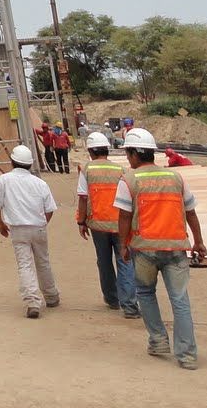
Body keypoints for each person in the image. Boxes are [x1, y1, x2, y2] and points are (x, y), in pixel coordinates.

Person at [116, 126, 207, 370]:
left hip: (144, 248)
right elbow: (191, 212)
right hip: (176, 248)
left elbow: (124, 217)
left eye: (128, 153)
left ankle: (158, 341)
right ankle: (187, 355)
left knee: (145, 294)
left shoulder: (128, 180)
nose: (127, 158)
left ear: (135, 154)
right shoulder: (176, 178)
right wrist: (198, 241)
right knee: (180, 300)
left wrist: (124, 244)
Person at [0, 143, 60, 318]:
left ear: (12, 162)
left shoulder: (3, 180)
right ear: (30, 164)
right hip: (39, 227)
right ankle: (51, 296)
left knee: (25, 265)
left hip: (18, 229)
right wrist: (43, 223)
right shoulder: (40, 183)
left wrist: (0, 223)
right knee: (43, 262)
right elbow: (49, 209)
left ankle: (33, 302)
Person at [76, 131, 138, 317]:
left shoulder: (87, 170)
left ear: (90, 152)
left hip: (98, 226)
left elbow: (83, 198)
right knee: (125, 262)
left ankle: (112, 299)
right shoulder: (121, 170)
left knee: (104, 261)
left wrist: (81, 221)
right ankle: (129, 305)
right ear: (107, 151)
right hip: (120, 225)